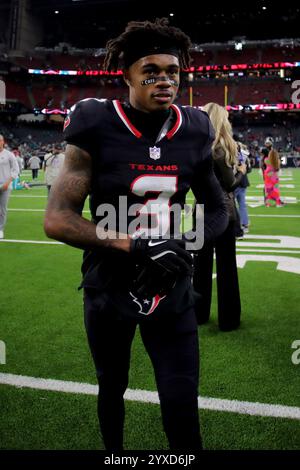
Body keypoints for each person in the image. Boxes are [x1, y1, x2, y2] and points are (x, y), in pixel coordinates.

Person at [44, 18, 228, 451]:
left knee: (182, 402)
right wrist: (138, 244)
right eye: (151, 71)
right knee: (112, 388)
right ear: (126, 74)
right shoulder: (94, 121)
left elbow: (219, 208)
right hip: (110, 285)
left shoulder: (196, 128)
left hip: (171, 285)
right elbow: (57, 218)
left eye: (173, 72)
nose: (164, 80)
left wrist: (182, 244)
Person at [193, 103, 246, 331]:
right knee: (226, 267)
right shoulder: (220, 150)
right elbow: (228, 184)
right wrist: (241, 172)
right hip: (222, 213)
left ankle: (199, 313)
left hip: (200, 213)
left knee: (201, 266)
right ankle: (229, 318)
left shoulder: (197, 148)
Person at [0, 134, 19, 239]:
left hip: (5, 185)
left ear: (3, 142)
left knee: (2, 209)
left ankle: (0, 229)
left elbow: (16, 170)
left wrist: (8, 182)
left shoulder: (9, 154)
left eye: (0, 140)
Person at [234, 142, 252, 234]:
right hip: (243, 182)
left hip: (235, 182)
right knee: (242, 205)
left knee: (232, 205)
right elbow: (249, 169)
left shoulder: (233, 155)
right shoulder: (244, 156)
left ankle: (237, 225)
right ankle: (245, 224)